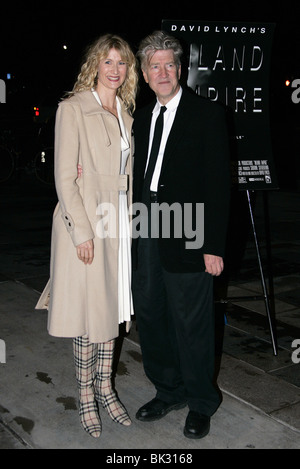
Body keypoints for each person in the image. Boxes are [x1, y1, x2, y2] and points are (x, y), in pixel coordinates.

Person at [36, 34, 138, 438]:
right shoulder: (72, 108)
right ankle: (84, 393)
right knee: (86, 312)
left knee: (111, 309)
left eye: (122, 63)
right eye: (108, 61)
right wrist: (81, 231)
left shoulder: (127, 114)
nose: (115, 70)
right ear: (95, 65)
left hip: (117, 224)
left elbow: (128, 177)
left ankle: (106, 388)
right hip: (85, 223)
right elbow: (64, 177)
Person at [132, 31, 231, 439]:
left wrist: (212, 246)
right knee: (151, 312)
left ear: (180, 68)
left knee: (191, 321)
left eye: (169, 64)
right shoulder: (140, 115)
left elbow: (218, 185)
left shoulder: (206, 114)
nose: (162, 72)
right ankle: (168, 390)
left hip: (189, 225)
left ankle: (201, 401)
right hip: (147, 222)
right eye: (154, 65)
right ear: (143, 72)